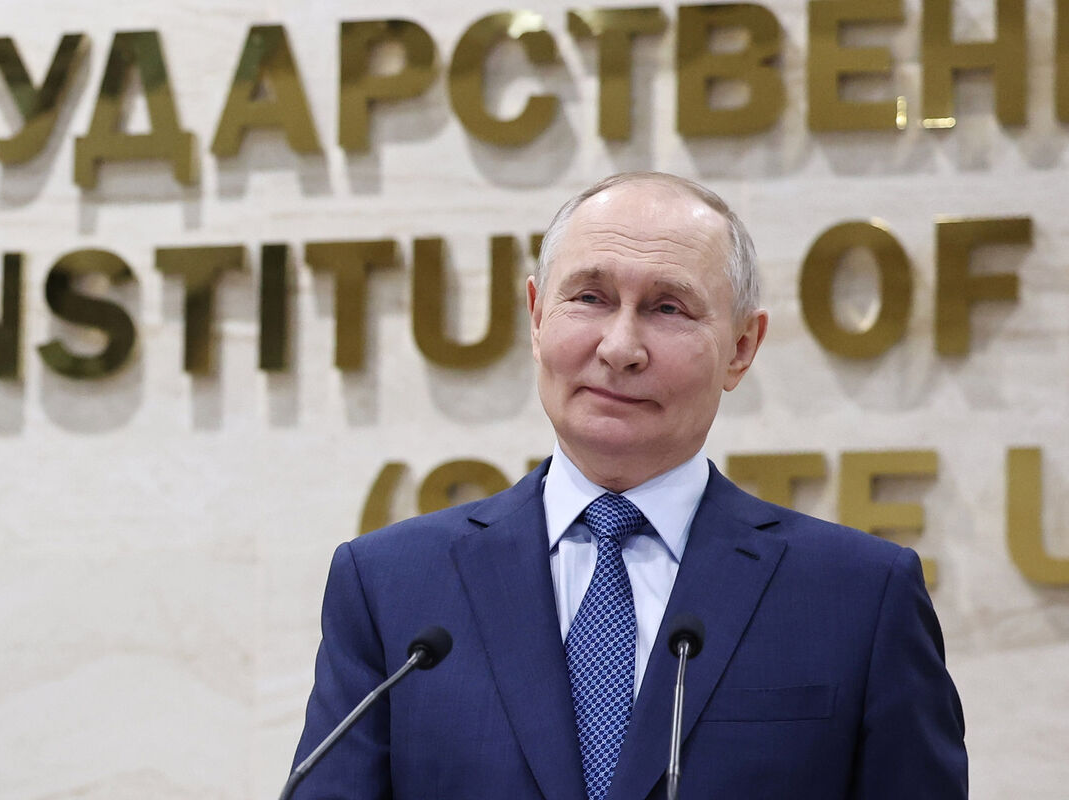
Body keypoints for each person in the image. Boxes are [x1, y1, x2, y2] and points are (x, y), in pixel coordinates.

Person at [289, 172, 968, 799]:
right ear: (536, 315)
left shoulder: (860, 597)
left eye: (668, 308)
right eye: (590, 298)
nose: (619, 348)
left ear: (741, 348)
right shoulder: (391, 588)